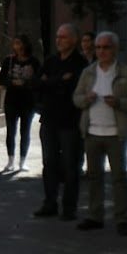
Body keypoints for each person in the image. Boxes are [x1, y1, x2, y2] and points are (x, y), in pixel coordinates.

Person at [73, 31, 127, 236]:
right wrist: (85, 99)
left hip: (115, 134)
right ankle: (95, 216)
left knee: (118, 178)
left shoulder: (126, 72)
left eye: (106, 47)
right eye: (98, 47)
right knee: (94, 177)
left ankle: (122, 219)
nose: (101, 51)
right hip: (92, 133)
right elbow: (76, 98)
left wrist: (119, 102)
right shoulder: (88, 72)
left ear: (115, 49)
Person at [33, 24, 86, 221]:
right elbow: (36, 83)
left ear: (73, 39)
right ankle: (50, 202)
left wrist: (49, 82)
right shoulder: (51, 61)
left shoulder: (80, 63)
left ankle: (69, 207)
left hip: (70, 121)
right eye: (57, 37)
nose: (59, 40)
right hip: (49, 119)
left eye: (63, 37)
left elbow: (74, 88)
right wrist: (58, 81)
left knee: (71, 165)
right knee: (49, 163)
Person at [0, 34, 41, 171]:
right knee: (11, 131)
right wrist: (12, 82)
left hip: (28, 101)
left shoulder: (34, 62)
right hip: (11, 100)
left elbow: (39, 80)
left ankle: (23, 161)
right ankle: (10, 160)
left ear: (26, 45)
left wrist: (26, 83)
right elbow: (1, 79)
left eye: (20, 43)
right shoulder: (9, 60)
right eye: (15, 43)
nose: (18, 46)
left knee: (25, 131)